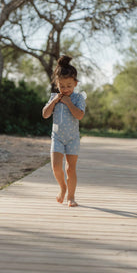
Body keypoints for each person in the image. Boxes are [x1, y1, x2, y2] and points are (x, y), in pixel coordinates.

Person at [42, 55, 86, 207]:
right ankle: (62, 187)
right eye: (62, 86)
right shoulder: (54, 97)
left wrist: (68, 103)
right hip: (57, 137)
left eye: (69, 85)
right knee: (55, 166)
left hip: (72, 138)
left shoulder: (78, 98)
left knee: (70, 168)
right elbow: (45, 114)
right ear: (57, 84)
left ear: (75, 83)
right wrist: (54, 102)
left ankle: (71, 197)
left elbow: (80, 115)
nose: (65, 89)